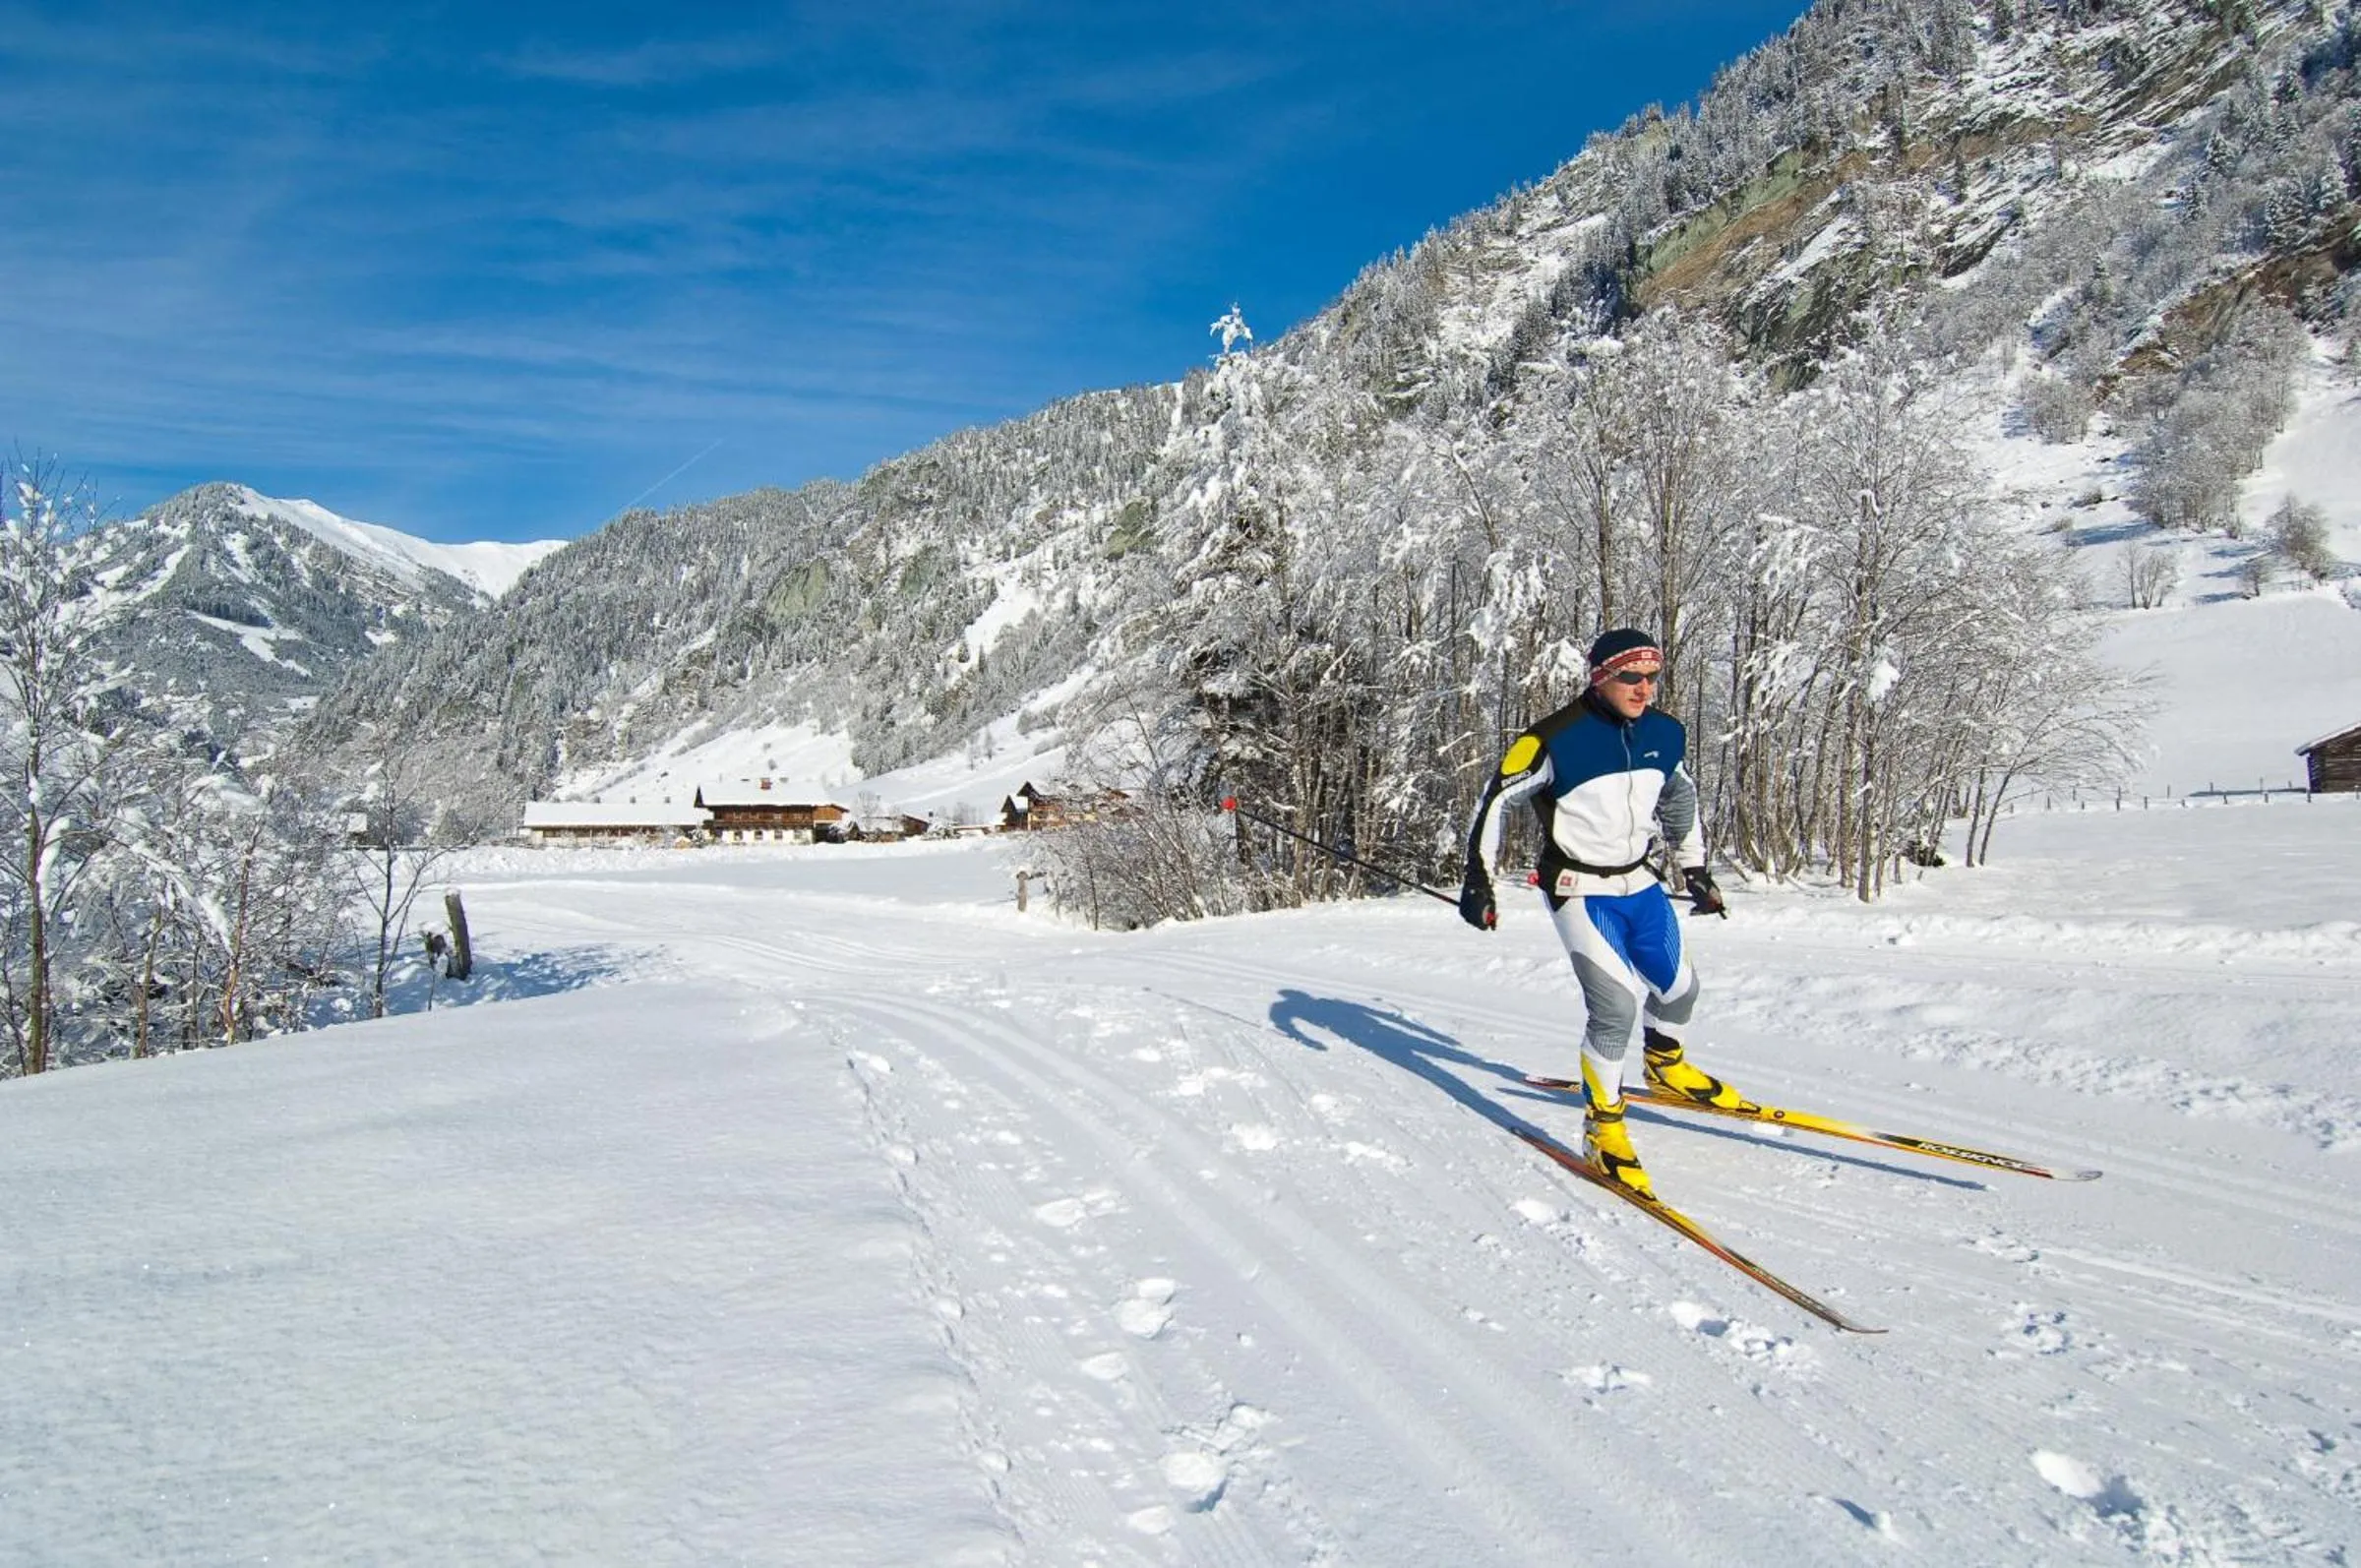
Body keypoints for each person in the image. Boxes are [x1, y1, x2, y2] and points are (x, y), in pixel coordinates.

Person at [1457, 629, 1731, 1198]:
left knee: (1679, 991)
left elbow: (1680, 796)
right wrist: (1478, 882)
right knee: (1616, 1009)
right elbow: (1495, 801)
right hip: (1578, 887)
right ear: (1600, 676)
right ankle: (1602, 1129)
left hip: (1639, 881)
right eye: (1631, 677)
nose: (1644, 689)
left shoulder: (1664, 733)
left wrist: (1695, 868)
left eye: (1652, 677)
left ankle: (1664, 1064)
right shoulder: (1552, 739)